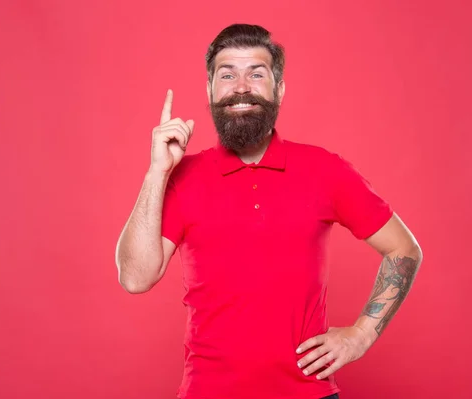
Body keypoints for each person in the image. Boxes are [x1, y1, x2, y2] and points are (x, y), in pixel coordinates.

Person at [115, 24, 423, 399]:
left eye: (256, 74)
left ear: (279, 89)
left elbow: (403, 249)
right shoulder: (181, 177)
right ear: (210, 90)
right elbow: (135, 277)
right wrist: (156, 172)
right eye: (227, 75)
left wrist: (361, 335)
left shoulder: (325, 169)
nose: (241, 87)